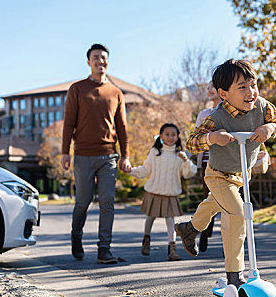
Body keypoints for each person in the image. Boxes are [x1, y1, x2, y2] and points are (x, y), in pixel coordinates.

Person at [175, 59, 276, 287]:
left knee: (214, 203)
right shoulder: (215, 118)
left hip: (241, 175)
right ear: (223, 94)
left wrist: (270, 128)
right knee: (237, 214)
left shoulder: (263, 107)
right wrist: (211, 138)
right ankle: (235, 275)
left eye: (253, 85)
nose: (251, 92)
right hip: (217, 174)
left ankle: (189, 229)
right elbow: (192, 143)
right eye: (242, 87)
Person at [61, 43, 131, 265]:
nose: (100, 61)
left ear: (108, 61)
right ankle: (76, 235)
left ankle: (104, 249)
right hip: (82, 155)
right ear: (88, 62)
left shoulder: (116, 93)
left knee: (107, 201)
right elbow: (68, 123)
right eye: (96, 58)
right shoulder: (77, 89)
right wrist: (65, 152)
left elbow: (122, 127)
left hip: (108, 155)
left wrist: (125, 155)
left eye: (103, 57)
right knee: (83, 202)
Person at [128, 123, 197, 261]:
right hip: (154, 191)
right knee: (150, 217)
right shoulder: (155, 152)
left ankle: (172, 249)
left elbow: (188, 173)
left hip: (171, 193)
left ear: (178, 137)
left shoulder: (180, 155)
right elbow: (145, 169)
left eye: (173, 135)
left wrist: (186, 161)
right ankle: (146, 240)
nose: (170, 137)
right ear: (161, 136)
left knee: (170, 221)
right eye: (167, 134)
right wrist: (131, 171)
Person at [194, 82, 221, 252]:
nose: (210, 90)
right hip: (207, 162)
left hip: (229, 161)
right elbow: (195, 138)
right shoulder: (204, 114)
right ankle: (204, 235)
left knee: (229, 203)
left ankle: (229, 244)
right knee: (208, 199)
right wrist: (186, 158)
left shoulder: (232, 111)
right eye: (208, 88)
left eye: (214, 87)